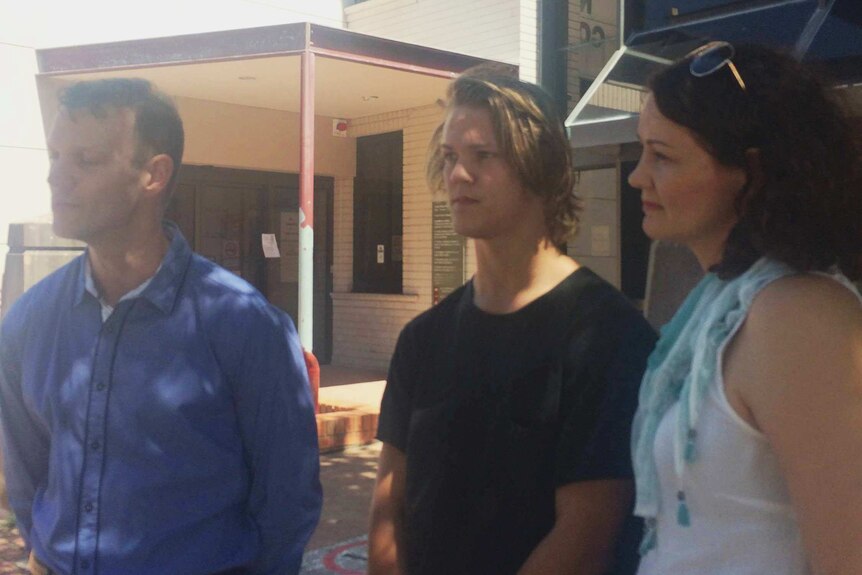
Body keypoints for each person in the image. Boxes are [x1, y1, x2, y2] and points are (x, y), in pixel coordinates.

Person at [0, 78, 322, 575]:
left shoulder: (244, 325)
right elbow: (26, 479)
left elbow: (287, 499)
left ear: (154, 174)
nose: (56, 178)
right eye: (55, 156)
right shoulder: (28, 321)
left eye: (86, 161)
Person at [368, 67, 656, 575]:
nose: (459, 174)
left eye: (483, 156)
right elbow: (389, 509)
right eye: (451, 157)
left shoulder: (609, 336)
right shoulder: (423, 339)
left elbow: (587, 532)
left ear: (539, 167)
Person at [628, 42, 862, 575]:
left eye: (661, 156)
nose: (637, 176)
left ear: (750, 172)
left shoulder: (798, 315)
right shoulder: (724, 302)